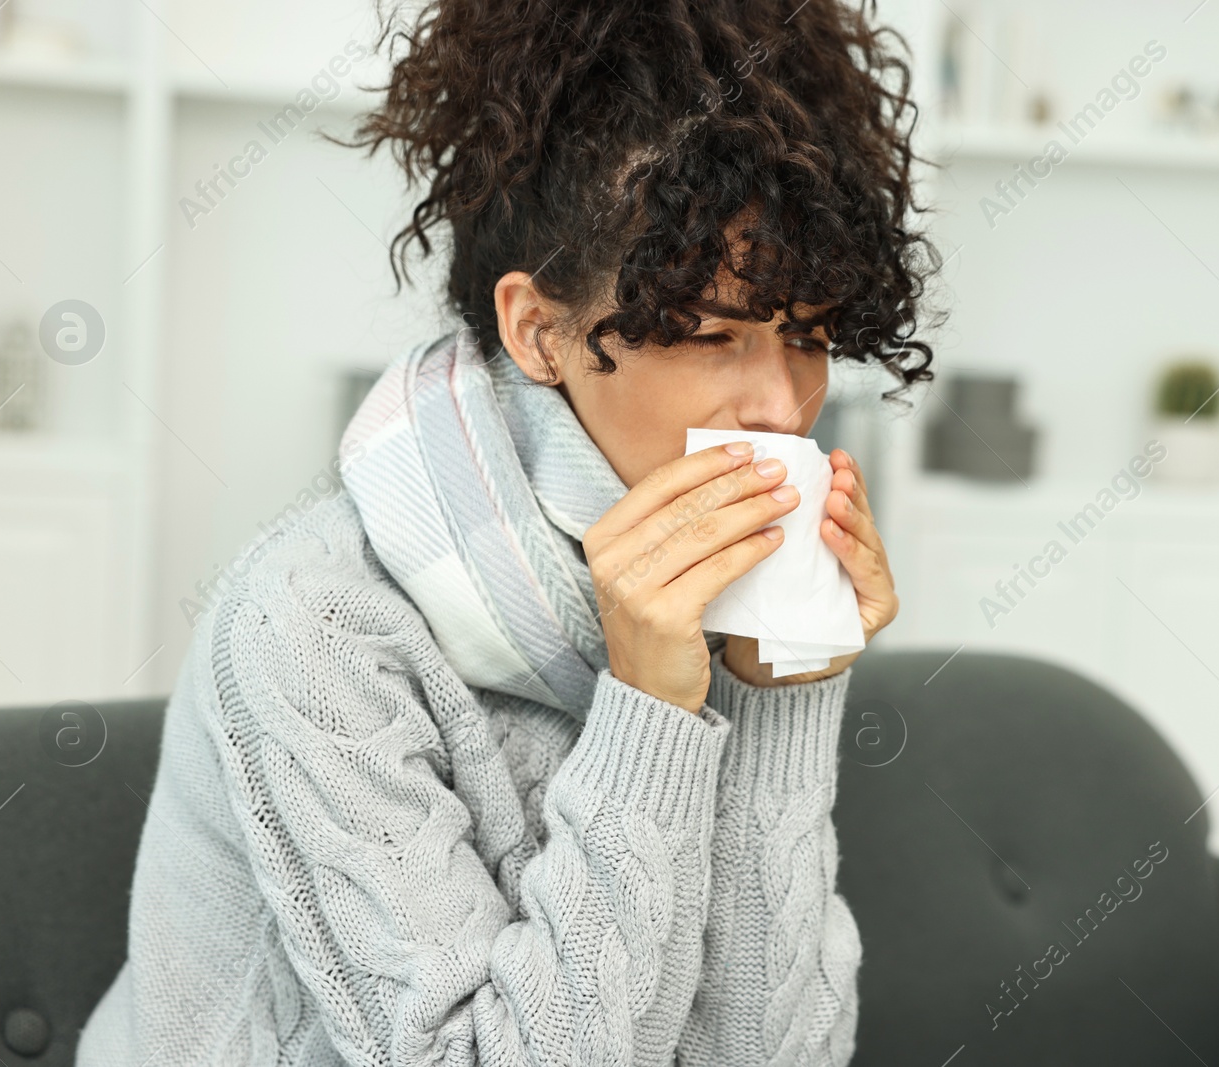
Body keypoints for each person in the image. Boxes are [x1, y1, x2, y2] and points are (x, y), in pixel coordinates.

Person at [77, 0, 937, 1063]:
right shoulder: (314, 621)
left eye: (806, 338)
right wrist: (648, 714)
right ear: (539, 332)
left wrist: (782, 688)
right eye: (711, 333)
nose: (778, 403)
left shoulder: (707, 583)